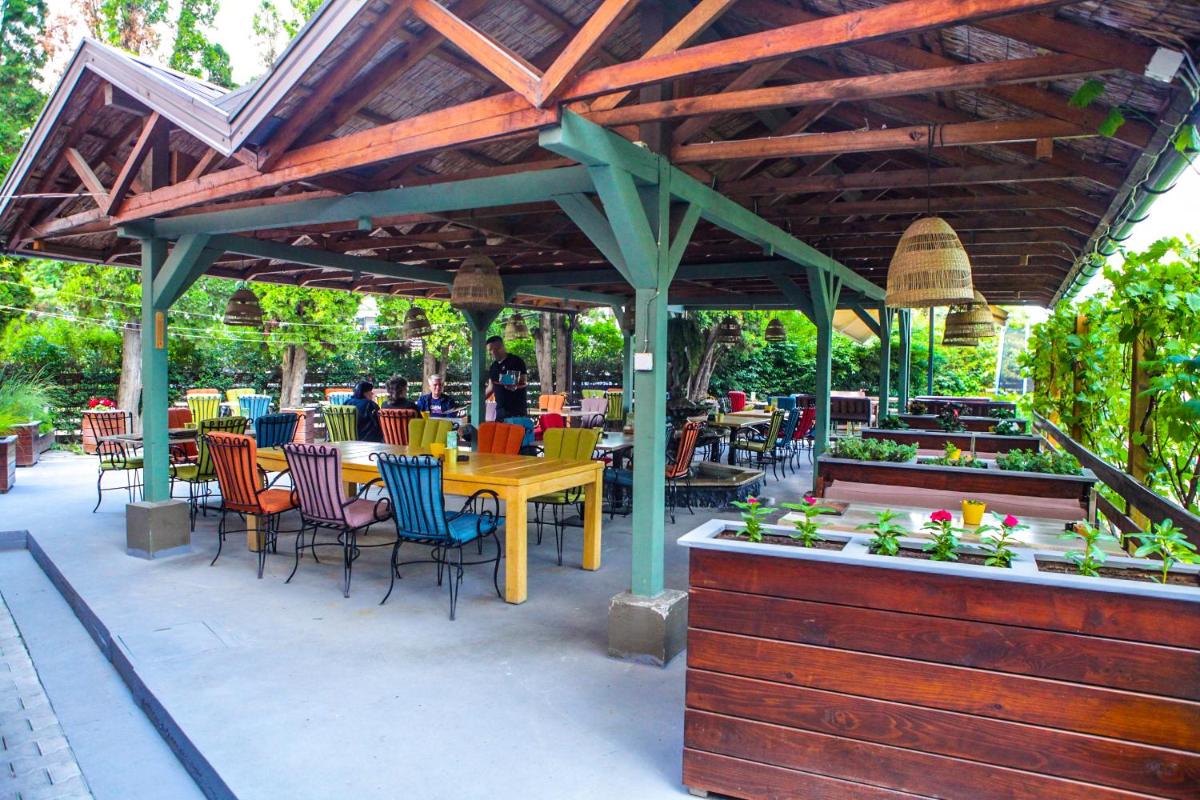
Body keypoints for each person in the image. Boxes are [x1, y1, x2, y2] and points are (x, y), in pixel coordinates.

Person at [485, 335, 528, 421]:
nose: (492, 352)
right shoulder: (493, 366)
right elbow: (491, 387)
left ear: (502, 347)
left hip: (516, 411)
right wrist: (477, 400)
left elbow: (523, 380)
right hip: (500, 411)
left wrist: (503, 379)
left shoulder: (515, 361)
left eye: (495, 349)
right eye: (489, 350)